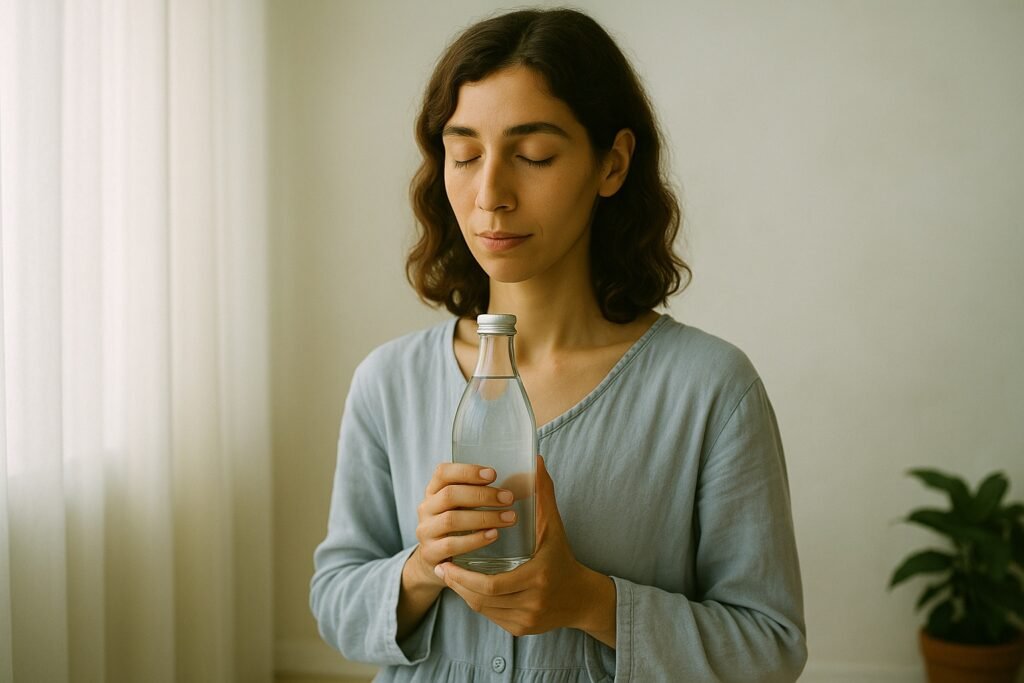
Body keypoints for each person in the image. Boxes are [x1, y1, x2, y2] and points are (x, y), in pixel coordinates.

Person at [310, 8, 806, 682]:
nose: (491, 195)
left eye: (533, 155)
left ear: (613, 163)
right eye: (464, 154)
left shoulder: (711, 388)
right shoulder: (387, 380)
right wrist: (424, 567)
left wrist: (587, 600)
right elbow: (334, 603)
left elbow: (770, 649)